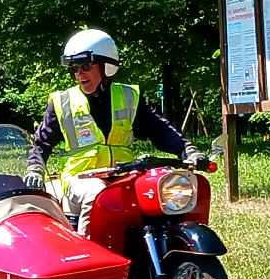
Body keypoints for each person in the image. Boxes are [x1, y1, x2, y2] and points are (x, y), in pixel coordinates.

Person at [26, 28, 206, 236]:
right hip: (80, 180)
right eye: (74, 69)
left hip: (123, 176)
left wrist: (188, 150)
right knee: (97, 194)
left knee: (161, 190)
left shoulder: (129, 97)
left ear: (106, 67)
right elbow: (40, 145)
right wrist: (35, 170)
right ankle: (91, 259)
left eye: (85, 66)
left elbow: (161, 130)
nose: (78, 74)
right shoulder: (62, 102)